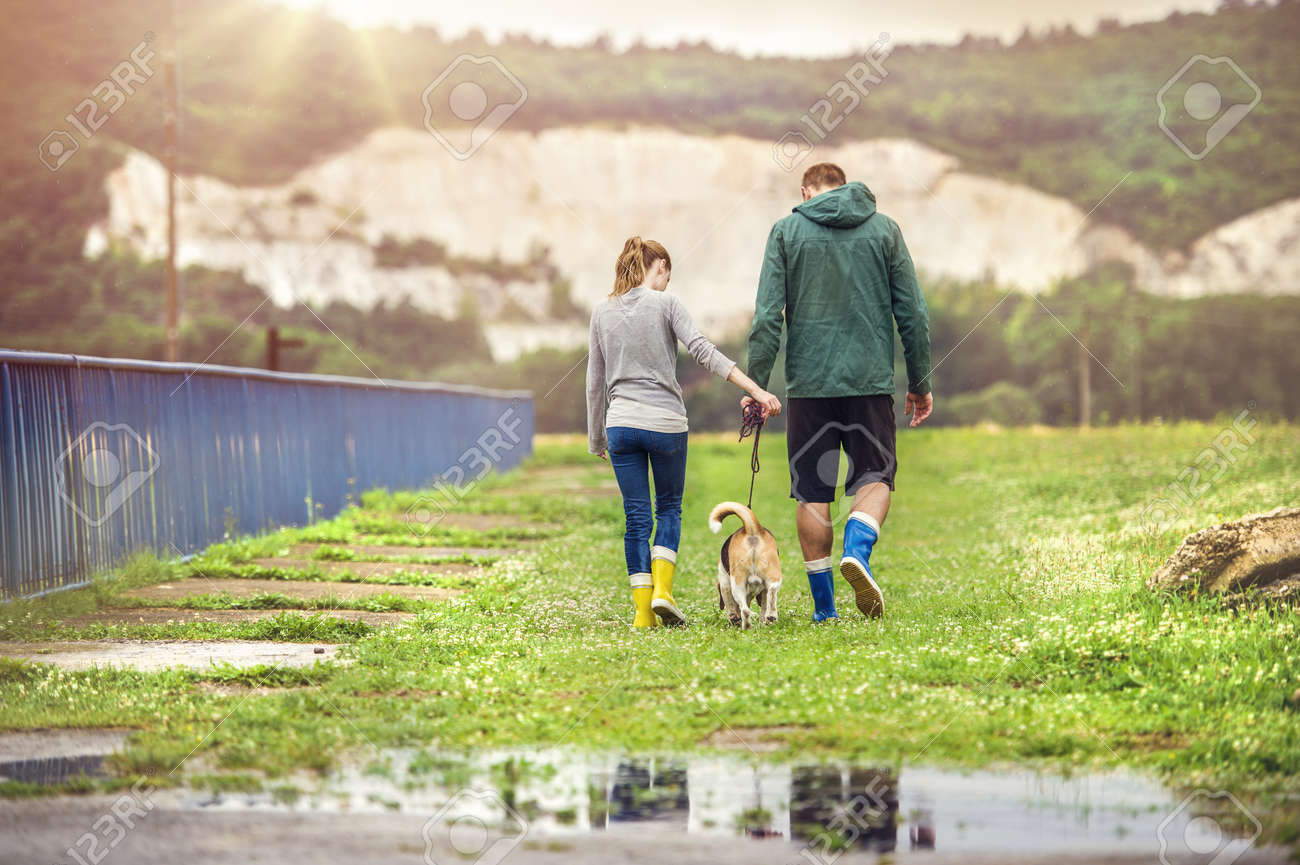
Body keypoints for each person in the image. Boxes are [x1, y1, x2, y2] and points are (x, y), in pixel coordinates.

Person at [743, 163, 933, 622]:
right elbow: (913, 313)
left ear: (806, 192)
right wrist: (921, 382)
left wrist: (755, 385)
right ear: (844, 188)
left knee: (812, 492)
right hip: (869, 384)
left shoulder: (786, 231)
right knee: (875, 477)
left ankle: (825, 611)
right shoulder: (885, 230)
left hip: (808, 387)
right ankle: (858, 549)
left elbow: (768, 317)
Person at [588, 236, 781, 629]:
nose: (666, 284)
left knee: (636, 518)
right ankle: (663, 591)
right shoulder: (666, 304)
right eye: (666, 276)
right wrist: (755, 389)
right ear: (658, 267)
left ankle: (644, 614)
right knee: (669, 509)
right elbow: (703, 350)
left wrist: (596, 436)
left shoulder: (601, 311)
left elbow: (595, 381)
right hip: (665, 424)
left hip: (621, 423)